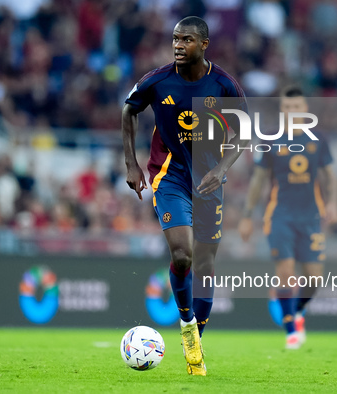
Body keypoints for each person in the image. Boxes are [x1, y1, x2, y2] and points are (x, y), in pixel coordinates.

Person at [121, 16, 247, 375]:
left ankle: (198, 338)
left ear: (204, 45)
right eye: (175, 39)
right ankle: (187, 324)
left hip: (208, 182)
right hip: (170, 177)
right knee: (182, 255)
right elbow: (129, 110)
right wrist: (132, 164)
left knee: (206, 265)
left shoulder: (224, 84)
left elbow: (243, 133)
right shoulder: (158, 80)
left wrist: (222, 169)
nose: (178, 45)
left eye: (186, 40)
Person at [238, 86, 337, 349]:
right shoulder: (269, 139)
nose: (292, 112)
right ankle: (290, 328)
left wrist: (334, 203)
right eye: (287, 108)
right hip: (279, 215)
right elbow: (258, 180)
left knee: (314, 278)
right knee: (285, 273)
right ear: (282, 111)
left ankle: (298, 310)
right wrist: (247, 216)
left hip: (311, 217)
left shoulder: (318, 139)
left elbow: (330, 176)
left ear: (304, 110)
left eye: (296, 107)